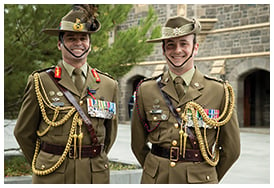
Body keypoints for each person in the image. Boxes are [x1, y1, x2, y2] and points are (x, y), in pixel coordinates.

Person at [14, 5, 118, 184]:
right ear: (60, 44)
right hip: (53, 175)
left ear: (90, 44)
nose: (78, 43)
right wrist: (46, 161)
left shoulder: (109, 85)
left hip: (94, 174)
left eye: (83, 38)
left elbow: (110, 135)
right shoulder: (41, 81)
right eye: (71, 38)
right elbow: (23, 133)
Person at [131, 16, 240, 184]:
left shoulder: (219, 91)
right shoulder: (146, 90)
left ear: (195, 48)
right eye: (171, 45)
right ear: (163, 50)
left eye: (184, 44)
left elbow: (231, 149)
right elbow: (137, 144)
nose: (177, 50)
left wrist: (207, 176)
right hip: (157, 180)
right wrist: (155, 168)